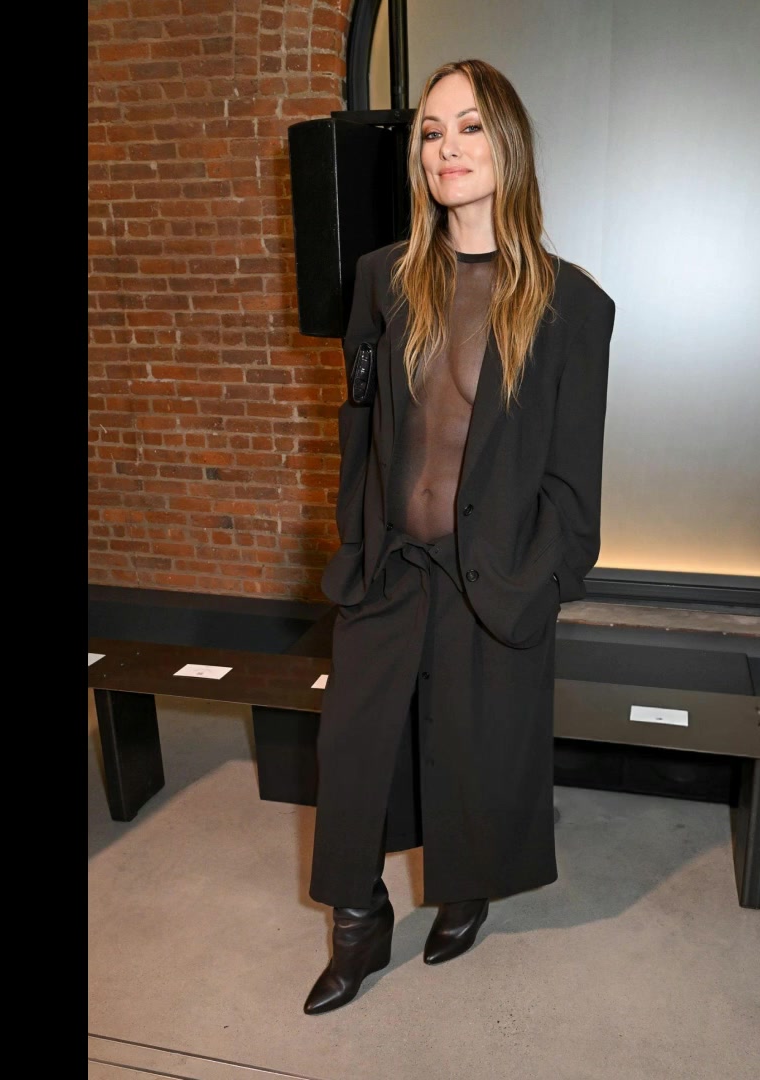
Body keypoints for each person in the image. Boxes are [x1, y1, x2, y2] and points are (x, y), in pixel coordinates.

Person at [302, 58, 618, 1015]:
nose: (448, 148)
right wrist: (354, 545)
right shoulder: (381, 281)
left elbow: (574, 483)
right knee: (352, 755)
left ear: (507, 142)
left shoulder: (572, 306)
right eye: (432, 132)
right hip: (390, 568)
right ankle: (357, 923)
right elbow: (360, 430)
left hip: (492, 577)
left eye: (469, 127)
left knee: (475, 752)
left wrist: (542, 581)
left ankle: (466, 890)